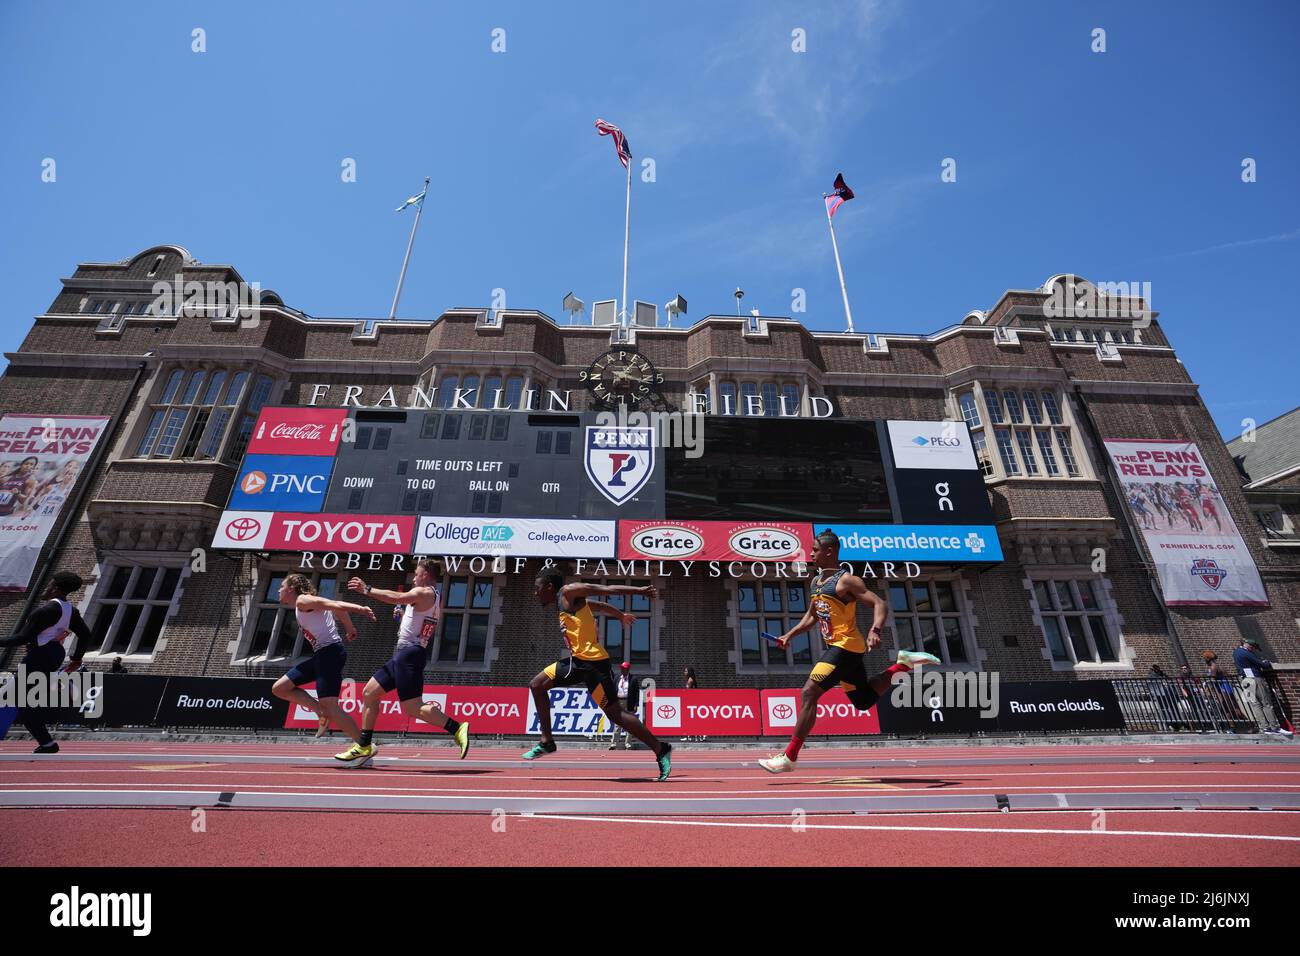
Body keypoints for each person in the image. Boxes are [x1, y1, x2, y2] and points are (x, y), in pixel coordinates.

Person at [759, 531, 940, 774]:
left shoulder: (847, 581)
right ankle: (903, 664)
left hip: (846, 647)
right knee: (863, 701)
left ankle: (789, 756)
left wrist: (875, 630)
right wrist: (789, 635)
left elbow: (880, 603)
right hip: (843, 649)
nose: (810, 553)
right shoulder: (816, 582)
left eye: (815, 549)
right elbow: (812, 616)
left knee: (809, 693)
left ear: (829, 552)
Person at [524, 570, 672, 781]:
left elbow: (606, 589)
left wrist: (639, 590)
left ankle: (661, 748)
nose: (535, 594)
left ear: (549, 587)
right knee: (537, 685)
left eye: (537, 589)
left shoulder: (569, 591)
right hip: (578, 664)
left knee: (616, 715)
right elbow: (600, 606)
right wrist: (620, 616)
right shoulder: (567, 602)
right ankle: (547, 741)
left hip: (594, 666)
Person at [336, 559, 471, 767]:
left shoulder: (424, 592)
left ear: (426, 575)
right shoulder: (434, 598)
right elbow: (419, 623)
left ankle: (457, 727)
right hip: (406, 653)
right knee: (370, 693)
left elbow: (397, 597)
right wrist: (403, 616)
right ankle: (364, 745)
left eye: (416, 574)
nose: (414, 578)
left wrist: (367, 589)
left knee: (413, 707)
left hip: (409, 655)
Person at [269, 574, 375, 751]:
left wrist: (361, 609)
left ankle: (364, 745)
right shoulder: (303, 603)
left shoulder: (303, 600)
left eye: (281, 586)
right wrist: (350, 628)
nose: (278, 589)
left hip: (330, 653)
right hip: (321, 655)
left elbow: (336, 605)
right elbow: (336, 608)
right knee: (280, 688)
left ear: (291, 589)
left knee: (331, 707)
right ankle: (320, 712)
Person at [0, 571, 91, 753]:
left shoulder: (46, 611)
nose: (46, 587)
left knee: (12, 698)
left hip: (40, 656)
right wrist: (76, 659)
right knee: (20, 702)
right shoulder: (70, 610)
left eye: (49, 584)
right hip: (52, 654)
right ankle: (47, 743)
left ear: (55, 588)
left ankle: (48, 742)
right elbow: (85, 634)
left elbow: (22, 638)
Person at [1233, 638, 1293, 736]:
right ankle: (1274, 727)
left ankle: (1264, 727)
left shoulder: (1236, 652)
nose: (1253, 649)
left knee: (1255, 704)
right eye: (1253, 647)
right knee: (1266, 703)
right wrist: (1267, 662)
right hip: (1254, 678)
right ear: (1248, 645)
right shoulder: (1246, 653)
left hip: (1244, 679)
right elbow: (1262, 664)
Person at [610, 661, 640, 751]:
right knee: (617, 723)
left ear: (628, 669)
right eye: (622, 668)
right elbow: (613, 690)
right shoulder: (617, 677)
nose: (623, 670)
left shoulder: (633, 679)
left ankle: (628, 744)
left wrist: (636, 704)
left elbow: (636, 693)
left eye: (625, 668)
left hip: (629, 702)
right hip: (618, 702)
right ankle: (613, 744)